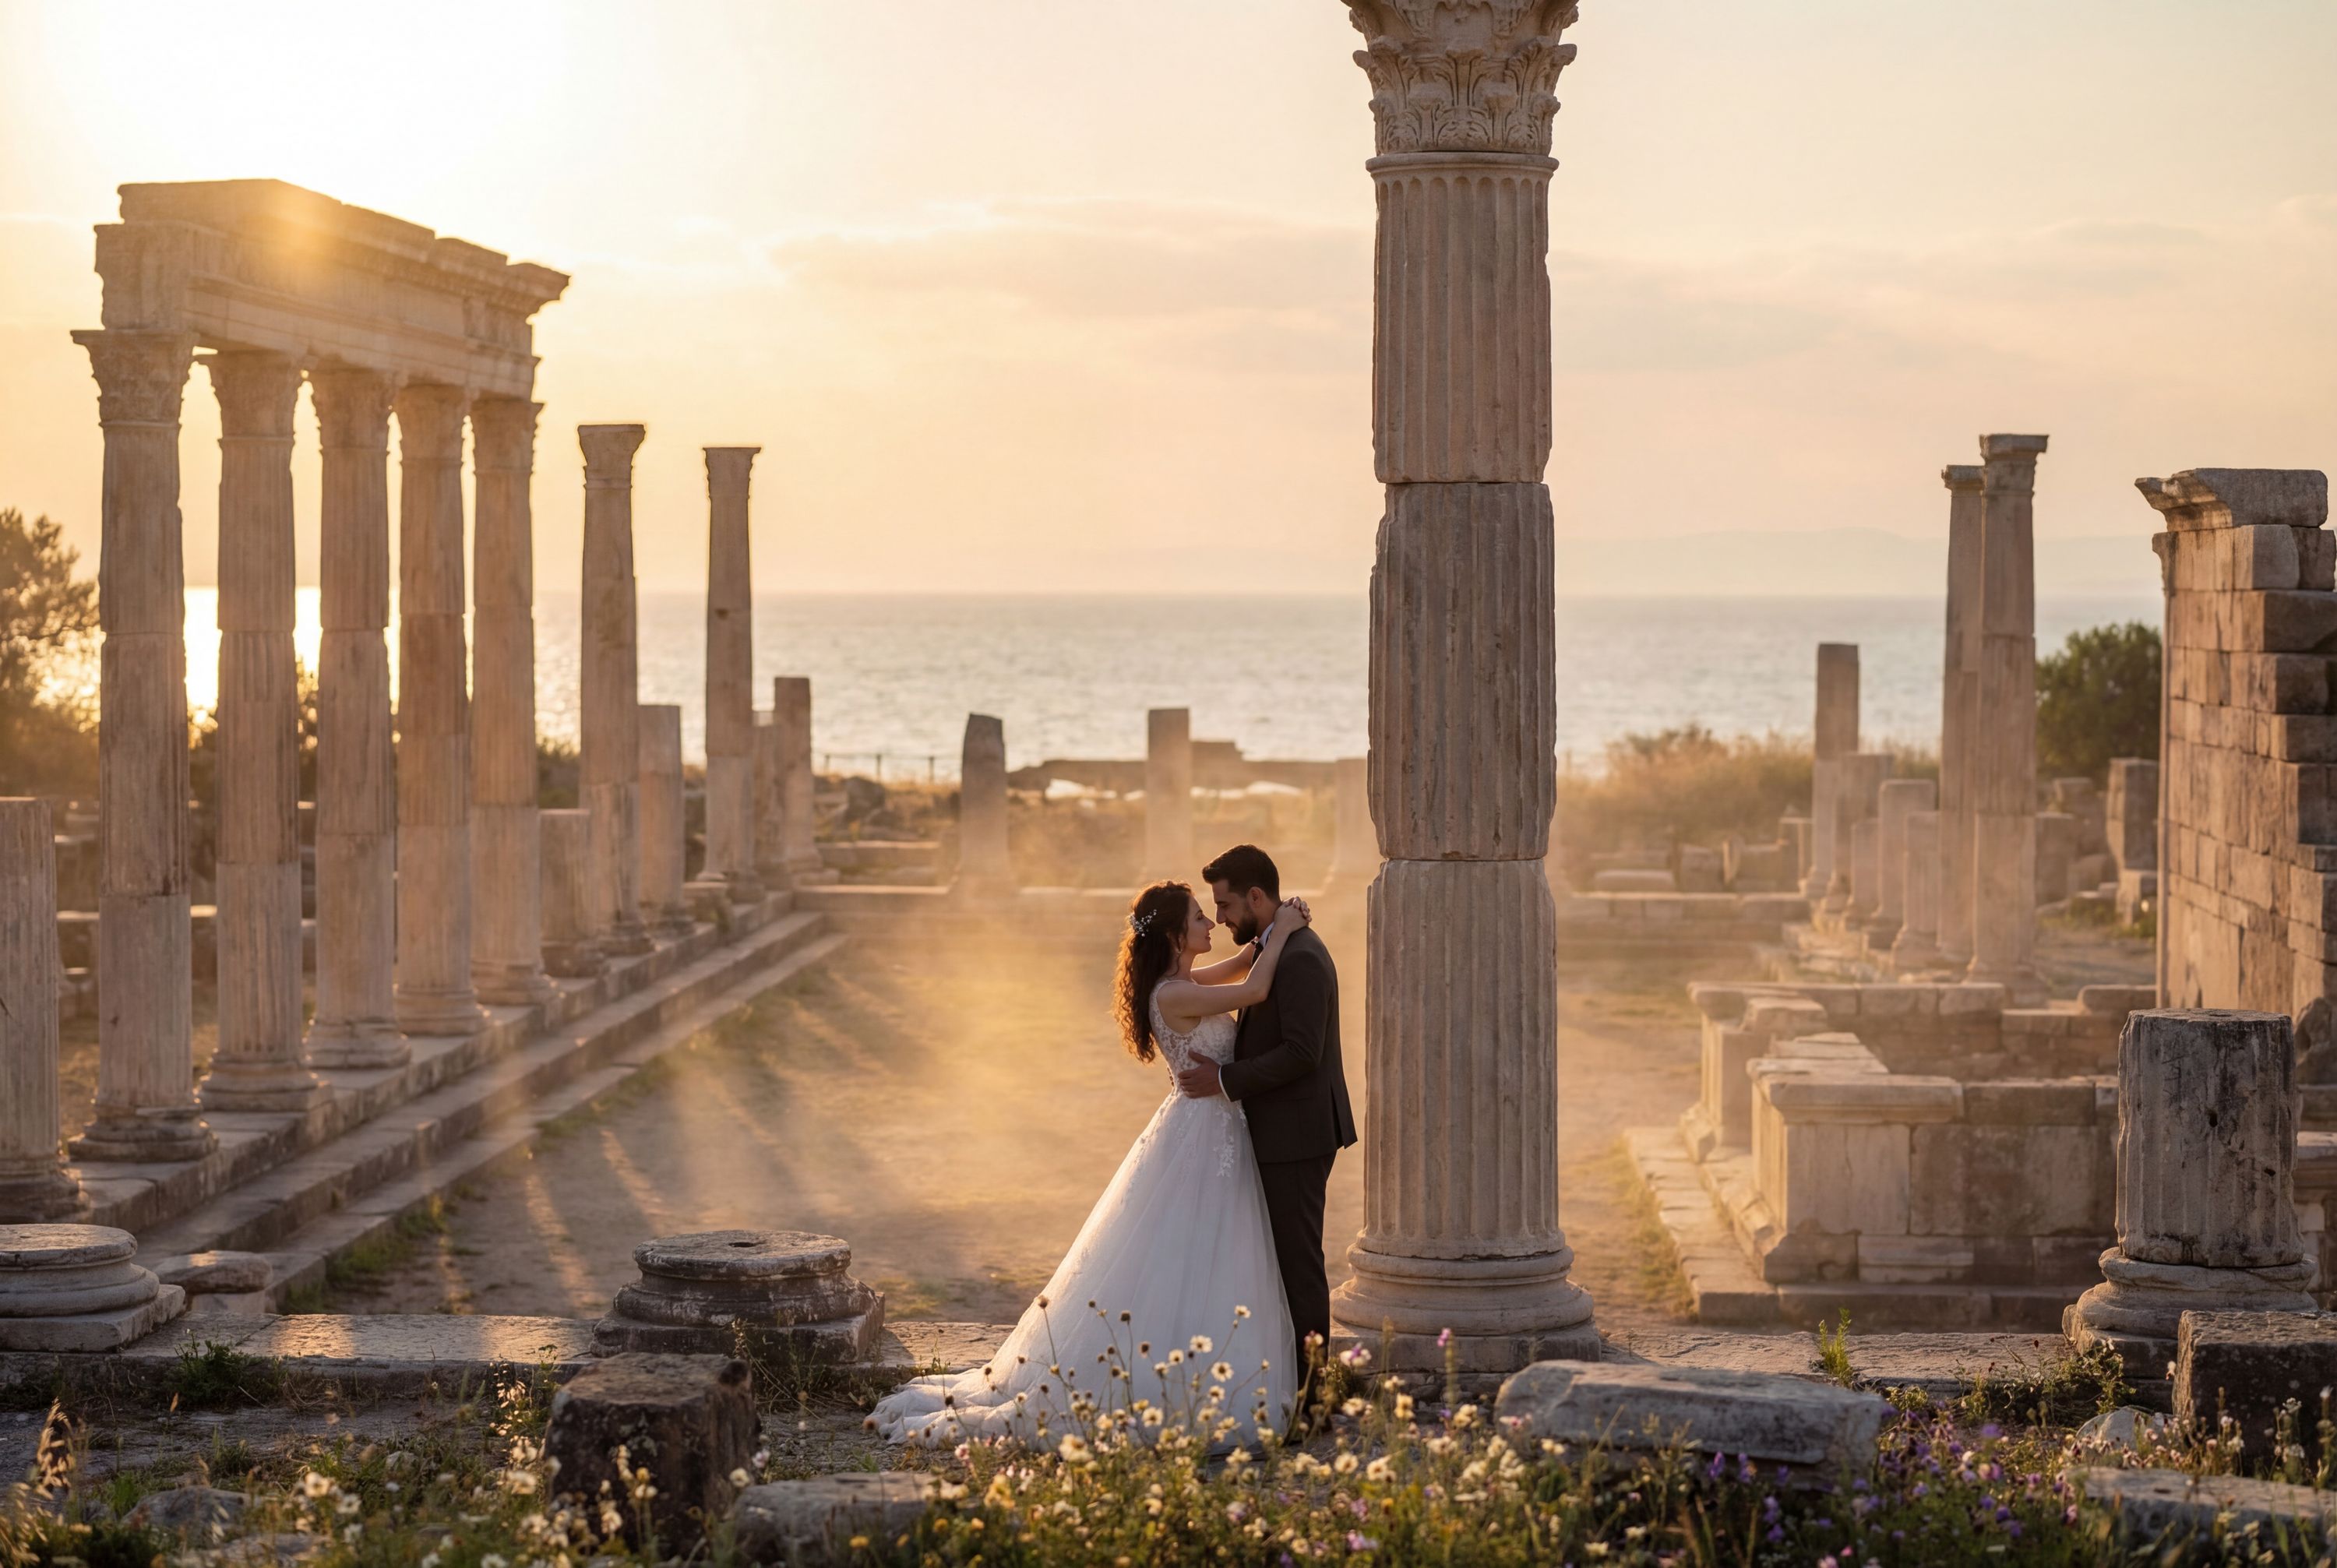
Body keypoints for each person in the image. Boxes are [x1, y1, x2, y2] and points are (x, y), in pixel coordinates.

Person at [866, 875, 1314, 1446]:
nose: (1210, 926)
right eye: (1200, 918)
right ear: (1178, 934)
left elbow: (1236, 970)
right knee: (1189, 1250)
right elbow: (1253, 989)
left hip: (1210, 1134)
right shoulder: (1172, 995)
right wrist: (1287, 933)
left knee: (1196, 1252)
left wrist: (1268, 931)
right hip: (1202, 1137)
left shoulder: (1176, 982)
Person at [1172, 844, 1355, 1408]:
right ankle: (1290, 1387)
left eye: (1225, 904)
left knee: (1299, 1266)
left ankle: (1313, 1399)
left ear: (1256, 896)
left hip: (1297, 1135)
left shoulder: (1299, 956)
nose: (1220, 916)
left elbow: (1303, 1052)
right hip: (1281, 1130)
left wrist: (1225, 1079)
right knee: (1280, 1262)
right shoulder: (1278, 945)